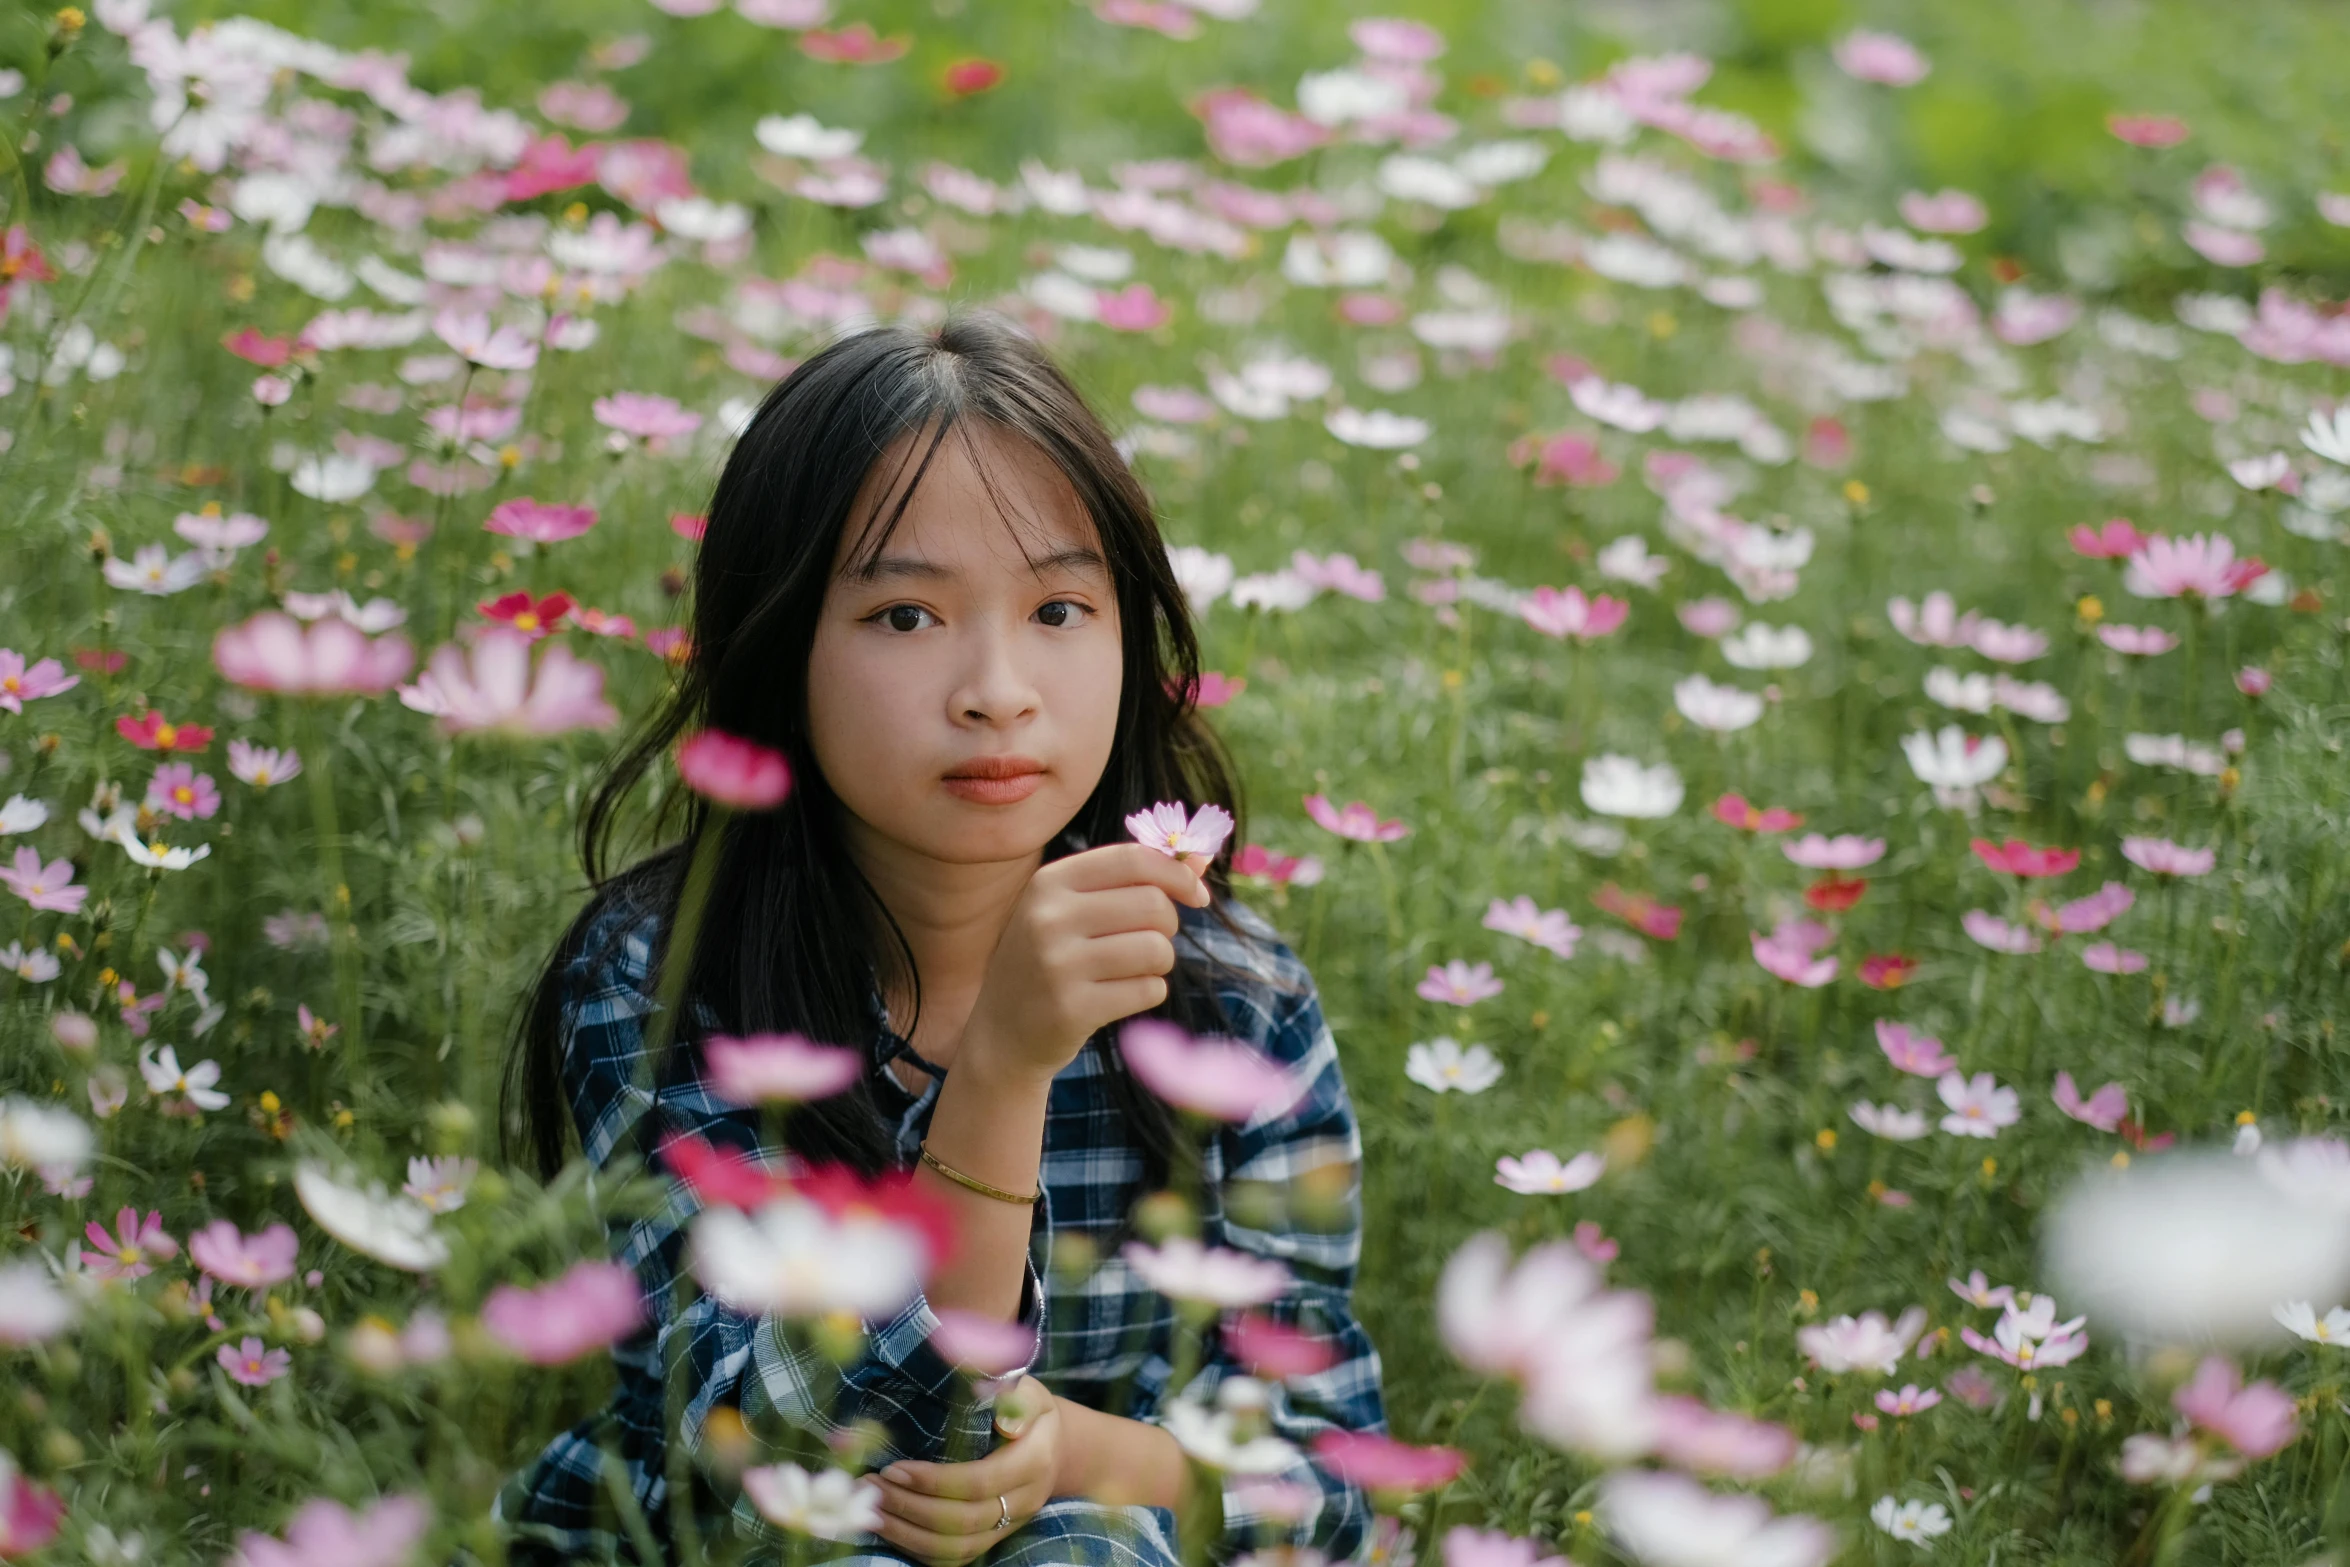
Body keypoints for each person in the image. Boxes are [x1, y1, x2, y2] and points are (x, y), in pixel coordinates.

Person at [497, 313, 1386, 1566]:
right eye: (906, 616)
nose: (997, 688)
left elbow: (1328, 1487)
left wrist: (1071, 1456)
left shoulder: (1237, 1006)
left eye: (1061, 608)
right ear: (778, 642)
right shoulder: (664, 978)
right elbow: (793, 1463)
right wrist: (1004, 1069)